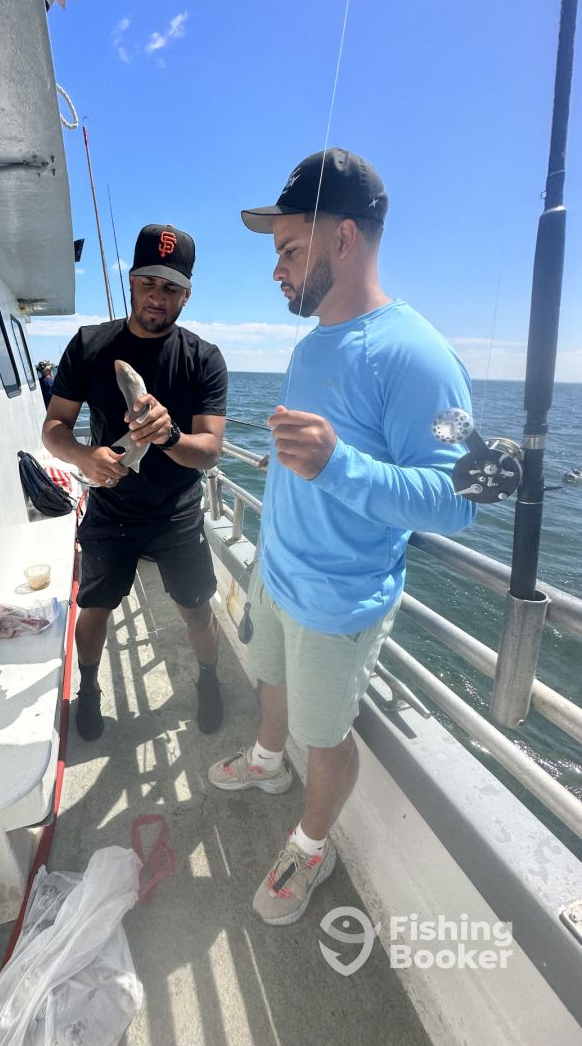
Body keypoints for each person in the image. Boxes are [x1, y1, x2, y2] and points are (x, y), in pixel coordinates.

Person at [208, 148, 476, 926]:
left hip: (338, 604)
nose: (277, 270)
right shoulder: (308, 345)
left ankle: (311, 846)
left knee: (325, 738)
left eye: (291, 249)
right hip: (276, 573)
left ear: (345, 238)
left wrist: (338, 464)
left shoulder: (420, 355)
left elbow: (459, 498)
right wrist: (304, 471)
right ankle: (266, 762)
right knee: (269, 679)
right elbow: (317, 458)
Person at [43, 224, 228, 740]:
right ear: (131, 280)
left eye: (171, 287)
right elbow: (54, 427)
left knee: (196, 610)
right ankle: (89, 687)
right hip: (110, 507)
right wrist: (85, 456)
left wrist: (170, 435)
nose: (157, 296)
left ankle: (209, 678)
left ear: (187, 295)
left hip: (176, 511)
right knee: (94, 609)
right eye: (148, 282)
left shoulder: (204, 359)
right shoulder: (89, 345)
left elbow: (211, 450)